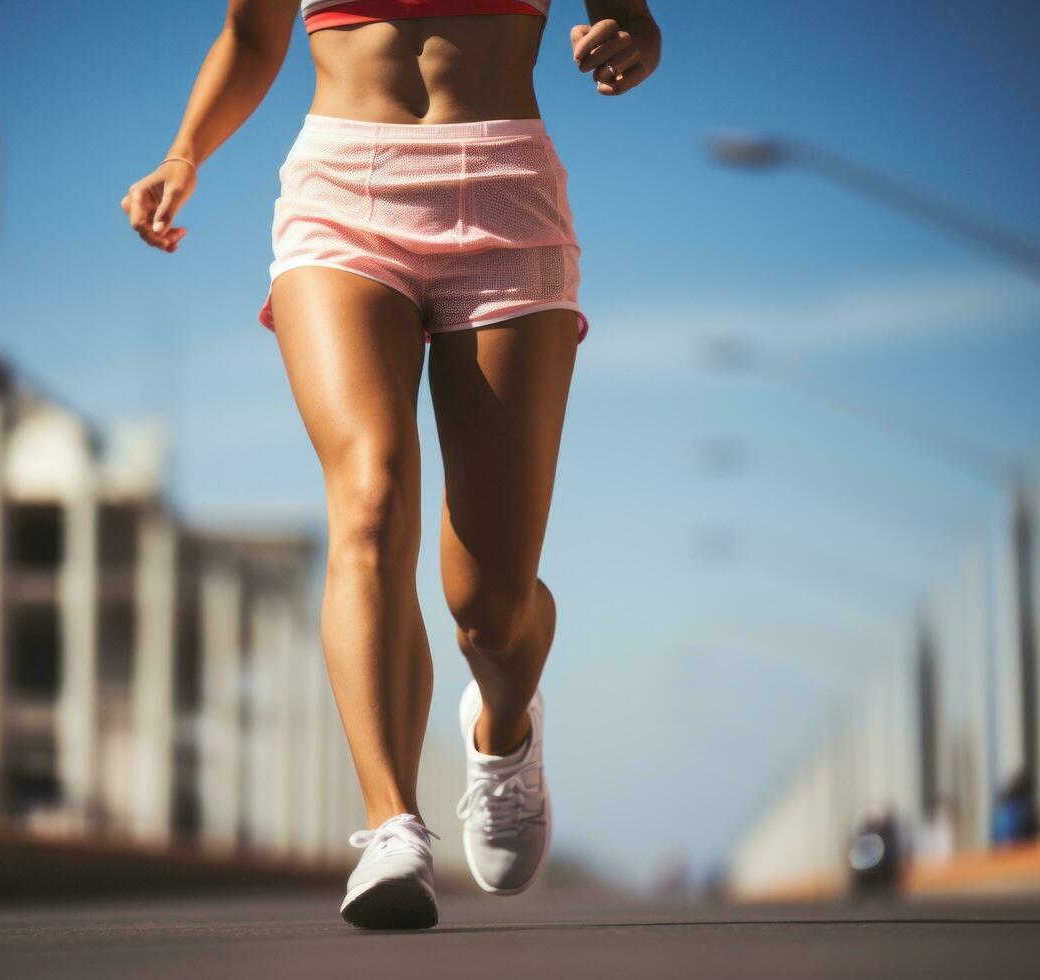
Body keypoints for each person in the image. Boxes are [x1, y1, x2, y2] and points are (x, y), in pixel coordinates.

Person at [120, 0, 661, 930]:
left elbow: (631, 22)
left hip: (503, 188)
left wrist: (630, 45)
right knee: (368, 498)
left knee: (488, 606)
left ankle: (504, 732)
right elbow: (254, 36)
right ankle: (390, 825)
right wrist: (185, 150)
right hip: (342, 192)